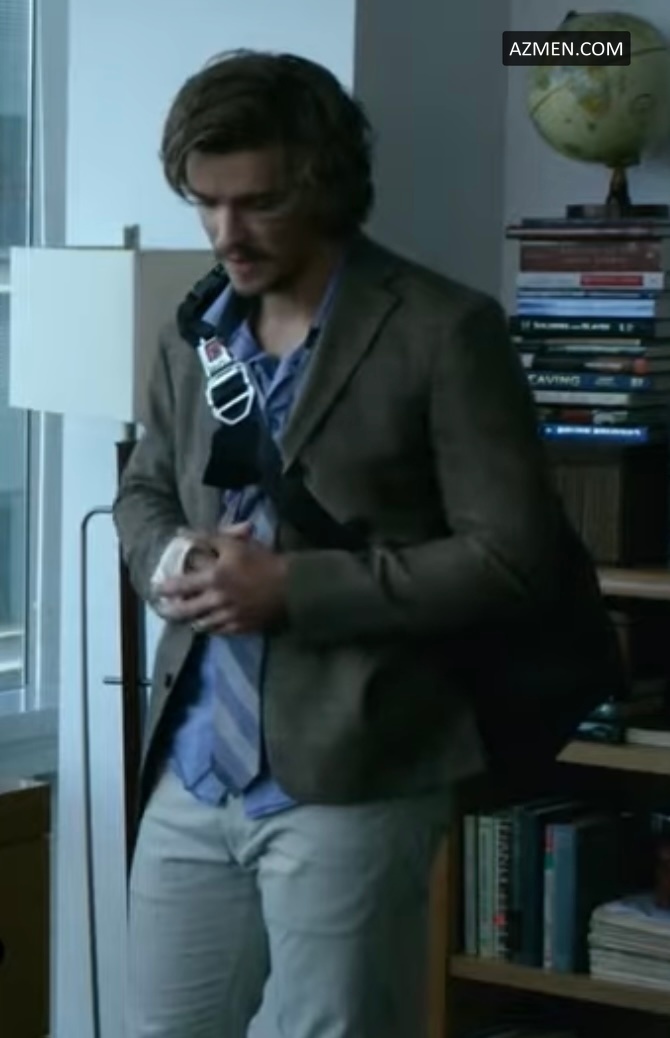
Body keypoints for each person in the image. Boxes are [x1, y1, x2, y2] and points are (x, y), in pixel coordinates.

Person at [113, 49, 624, 1038]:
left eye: (257, 203)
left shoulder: (445, 330)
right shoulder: (192, 329)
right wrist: (167, 558)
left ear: (324, 185)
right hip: (191, 763)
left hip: (358, 767)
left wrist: (291, 589)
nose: (225, 234)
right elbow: (143, 491)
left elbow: (510, 558)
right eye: (205, 204)